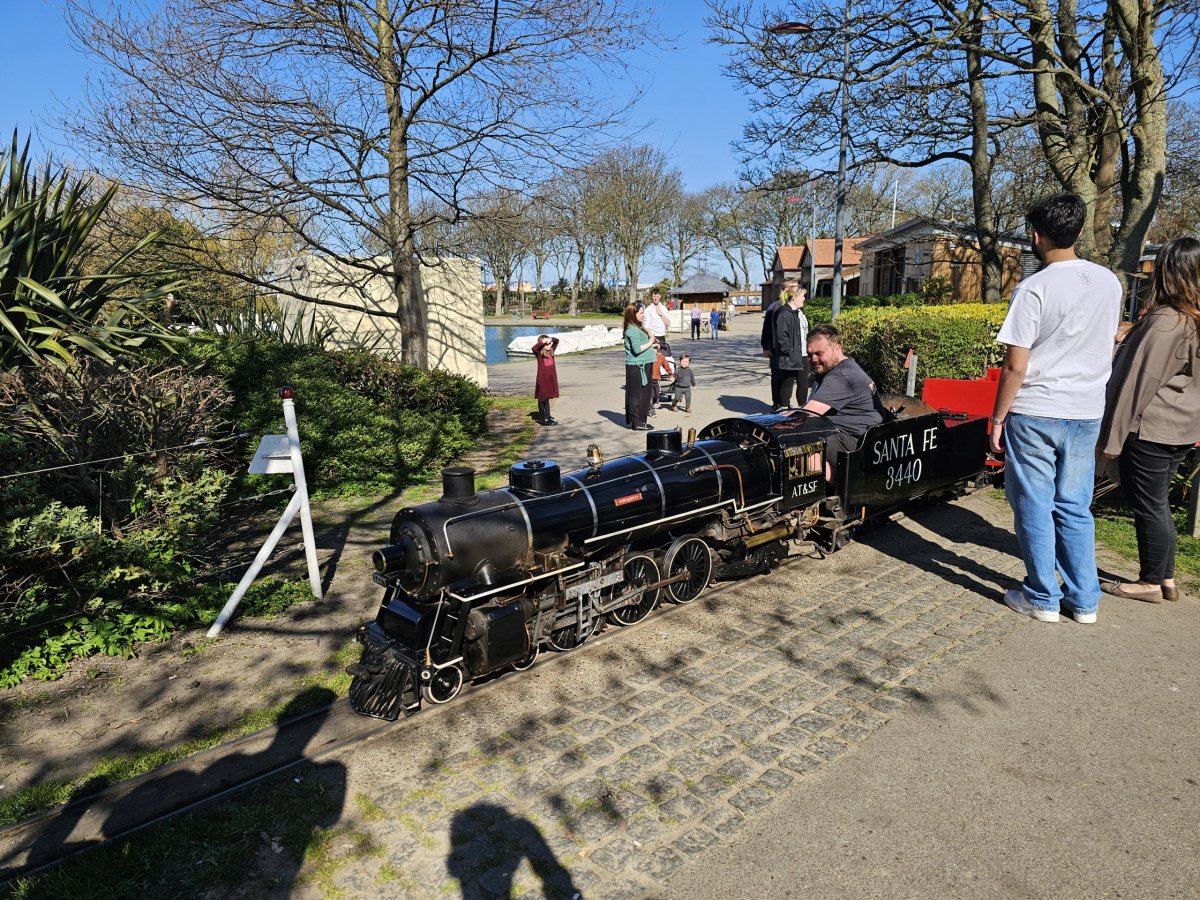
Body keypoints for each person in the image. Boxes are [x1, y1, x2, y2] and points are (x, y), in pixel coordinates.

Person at [989, 192, 1123, 625]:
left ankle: (1042, 596)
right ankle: (1085, 599)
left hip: (1037, 408)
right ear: (1079, 231)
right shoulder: (1109, 282)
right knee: (1074, 504)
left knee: (1033, 503)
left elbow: (1015, 365)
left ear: (1035, 235)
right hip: (1086, 409)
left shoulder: (1034, 288)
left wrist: (996, 418)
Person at [1096, 236, 1200, 603]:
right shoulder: (1190, 320)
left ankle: (1151, 582)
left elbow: (1137, 385)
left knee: (1149, 504)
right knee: (1156, 502)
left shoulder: (1167, 322)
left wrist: (1110, 441)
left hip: (1151, 427)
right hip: (1181, 428)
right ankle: (1166, 577)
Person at [801, 325, 886, 458]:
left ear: (837, 349)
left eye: (819, 353)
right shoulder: (836, 368)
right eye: (810, 354)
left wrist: (773, 423)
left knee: (801, 446)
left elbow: (807, 414)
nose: (813, 359)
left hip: (857, 442)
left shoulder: (841, 376)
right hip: (843, 431)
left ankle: (832, 478)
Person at [773, 282, 810, 411]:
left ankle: (802, 408)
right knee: (787, 382)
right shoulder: (784, 313)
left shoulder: (799, 312)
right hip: (790, 355)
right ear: (794, 298)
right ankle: (783, 408)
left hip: (803, 353)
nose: (804, 299)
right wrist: (789, 351)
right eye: (802, 296)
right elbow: (782, 337)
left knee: (803, 382)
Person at [623, 303, 657, 430]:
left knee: (644, 394)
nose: (643, 315)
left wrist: (652, 345)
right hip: (637, 366)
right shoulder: (632, 329)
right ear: (633, 314)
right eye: (641, 313)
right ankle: (636, 421)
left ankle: (641, 420)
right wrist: (650, 342)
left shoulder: (636, 327)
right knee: (636, 394)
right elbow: (637, 350)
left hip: (644, 364)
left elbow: (641, 345)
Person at [761, 292, 784, 409]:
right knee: (776, 376)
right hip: (775, 348)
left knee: (787, 376)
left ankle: (784, 402)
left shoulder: (797, 306)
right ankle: (777, 402)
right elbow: (766, 329)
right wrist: (765, 346)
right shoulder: (773, 307)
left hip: (790, 349)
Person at [531, 334, 560, 426]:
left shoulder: (551, 351)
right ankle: (543, 419)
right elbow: (534, 348)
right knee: (542, 398)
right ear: (542, 345)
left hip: (550, 380)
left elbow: (557, 341)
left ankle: (548, 416)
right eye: (546, 344)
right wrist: (543, 341)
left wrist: (550, 339)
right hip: (542, 380)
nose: (549, 345)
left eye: (549, 344)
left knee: (547, 398)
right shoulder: (539, 354)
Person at [650, 345, 673, 416]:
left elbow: (666, 366)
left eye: (655, 349)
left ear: (657, 350)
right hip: (648, 379)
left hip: (656, 379)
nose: (654, 350)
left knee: (656, 396)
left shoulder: (660, 357)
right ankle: (651, 410)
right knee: (650, 395)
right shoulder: (646, 357)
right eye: (652, 348)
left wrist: (670, 374)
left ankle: (651, 405)